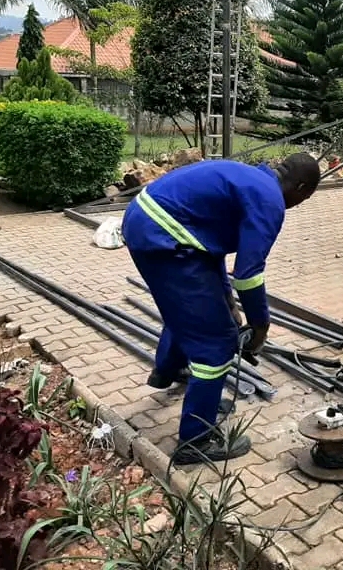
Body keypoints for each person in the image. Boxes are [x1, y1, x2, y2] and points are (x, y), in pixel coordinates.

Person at [121, 152, 321, 464]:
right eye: (304, 199)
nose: (298, 205)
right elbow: (248, 274)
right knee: (215, 344)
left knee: (190, 310)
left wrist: (228, 302)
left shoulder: (251, 179)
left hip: (148, 220)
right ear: (302, 188)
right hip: (164, 235)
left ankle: (169, 371)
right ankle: (196, 439)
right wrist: (260, 325)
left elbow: (210, 249)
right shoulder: (270, 200)